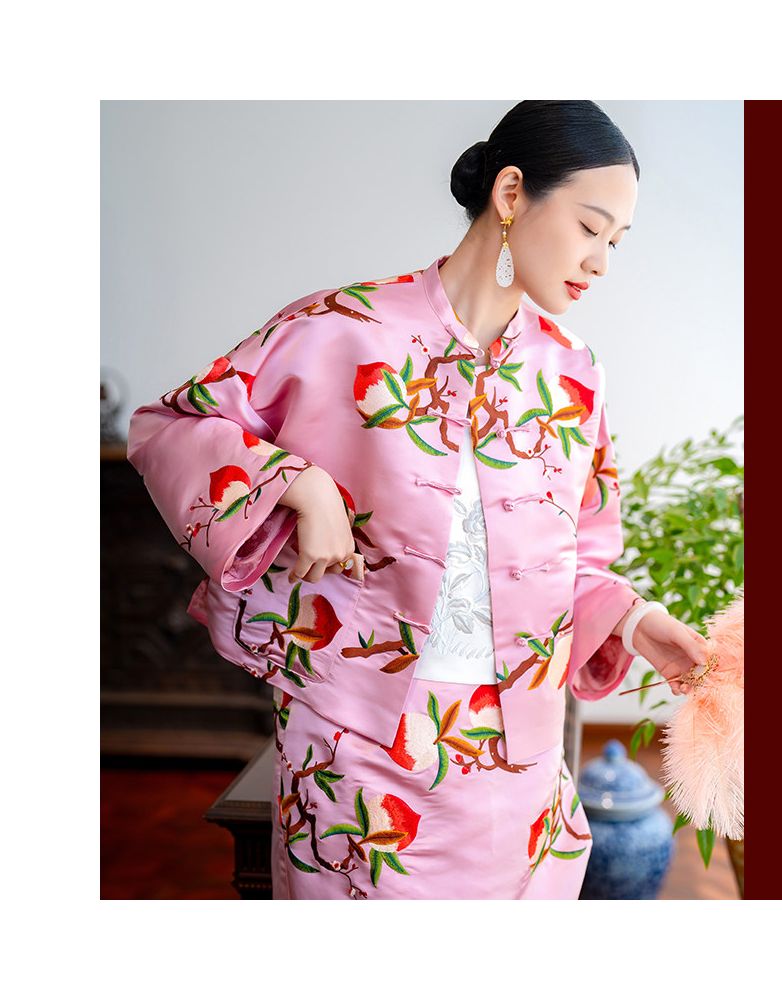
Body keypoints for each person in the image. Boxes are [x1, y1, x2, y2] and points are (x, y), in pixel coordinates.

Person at [127, 100, 709, 900]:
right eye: (589, 227)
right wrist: (298, 484)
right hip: (357, 749)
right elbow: (172, 427)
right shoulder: (344, 328)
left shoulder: (574, 376)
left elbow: (579, 558)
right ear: (512, 194)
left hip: (518, 766)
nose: (601, 261)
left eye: (617, 241)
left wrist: (637, 622)